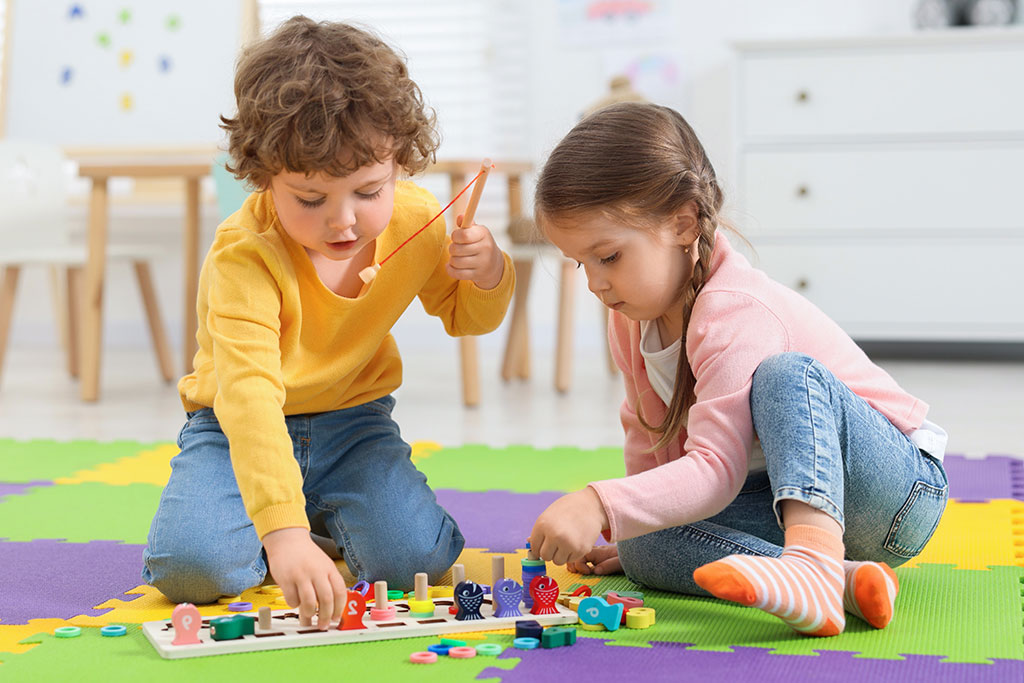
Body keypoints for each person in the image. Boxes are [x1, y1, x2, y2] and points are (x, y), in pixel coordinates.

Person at [142, 16, 514, 630]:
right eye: (311, 199)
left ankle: (310, 514)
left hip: (354, 422)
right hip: (236, 428)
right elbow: (249, 397)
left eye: (369, 191)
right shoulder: (244, 255)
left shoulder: (417, 221)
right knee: (192, 572)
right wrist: (283, 533)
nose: (343, 221)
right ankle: (291, 515)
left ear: (399, 162)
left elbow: (466, 317)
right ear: (262, 176)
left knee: (414, 562)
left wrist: (490, 272)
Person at [527, 102, 947, 637]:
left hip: (893, 493)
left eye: (608, 257)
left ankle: (813, 566)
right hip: (784, 501)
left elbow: (716, 470)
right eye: (580, 263)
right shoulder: (632, 321)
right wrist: (627, 523)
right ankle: (842, 582)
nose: (595, 283)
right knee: (642, 544)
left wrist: (598, 503)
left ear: (683, 222)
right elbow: (650, 443)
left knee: (786, 375)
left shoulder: (736, 309)